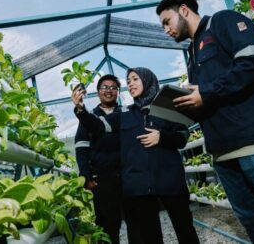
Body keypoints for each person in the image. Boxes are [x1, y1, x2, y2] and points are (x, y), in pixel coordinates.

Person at [156, 0, 254, 243]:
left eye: (167, 21)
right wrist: (187, 104)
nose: (166, 30)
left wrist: (205, 92)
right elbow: (211, 95)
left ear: (183, 10)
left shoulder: (222, 22)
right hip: (223, 153)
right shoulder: (191, 52)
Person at [73, 67, 200, 244]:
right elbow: (99, 126)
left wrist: (162, 137)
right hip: (140, 187)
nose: (130, 83)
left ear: (147, 80)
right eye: (128, 80)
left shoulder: (167, 106)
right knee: (150, 236)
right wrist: (81, 110)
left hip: (170, 180)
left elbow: (183, 137)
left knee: (185, 230)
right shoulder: (124, 113)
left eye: (135, 79)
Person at [74, 74, 123, 244]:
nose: (108, 91)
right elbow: (81, 146)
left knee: (136, 221)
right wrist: (86, 175)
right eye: (104, 87)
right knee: (107, 225)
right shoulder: (89, 116)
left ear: (118, 92)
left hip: (126, 175)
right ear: (97, 92)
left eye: (113, 87)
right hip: (102, 178)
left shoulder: (124, 113)